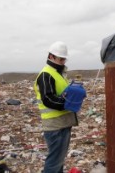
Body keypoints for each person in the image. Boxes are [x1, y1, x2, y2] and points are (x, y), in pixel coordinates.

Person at [33, 41, 78, 173]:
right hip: (54, 126)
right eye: (61, 58)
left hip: (63, 123)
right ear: (51, 56)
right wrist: (68, 103)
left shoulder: (59, 74)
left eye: (64, 59)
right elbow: (48, 99)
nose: (63, 61)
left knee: (59, 160)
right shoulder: (46, 74)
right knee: (54, 162)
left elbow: (62, 94)